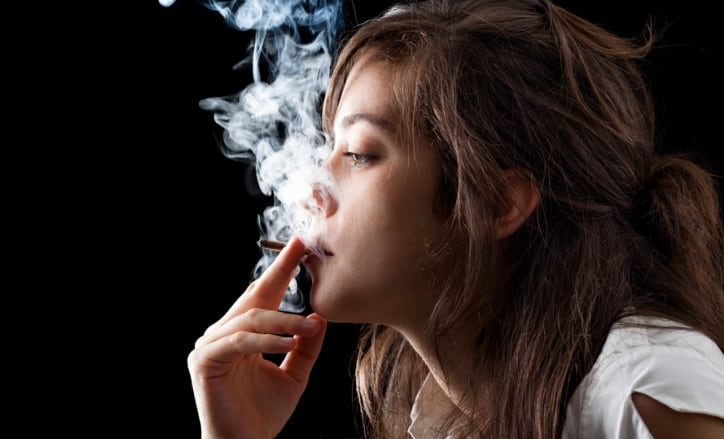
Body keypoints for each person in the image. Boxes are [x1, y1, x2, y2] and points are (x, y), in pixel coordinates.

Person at [187, 0, 724, 437]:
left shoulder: (649, 392)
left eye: (359, 153)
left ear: (495, 203)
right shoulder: (441, 413)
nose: (310, 187)